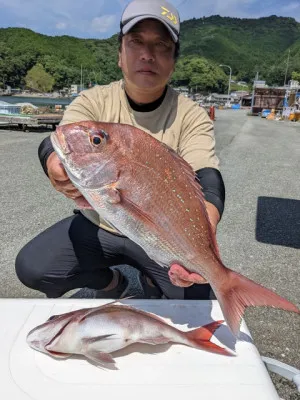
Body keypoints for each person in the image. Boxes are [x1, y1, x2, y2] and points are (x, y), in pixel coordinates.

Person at [15, 0, 225, 300]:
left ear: (174, 60)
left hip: (161, 236)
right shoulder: (94, 101)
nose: (147, 54)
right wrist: (52, 162)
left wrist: (205, 234)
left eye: (161, 45)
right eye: (136, 41)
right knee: (34, 267)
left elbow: (209, 178)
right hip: (99, 225)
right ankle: (113, 283)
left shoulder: (191, 114)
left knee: (198, 299)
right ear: (119, 54)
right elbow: (56, 139)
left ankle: (153, 282)